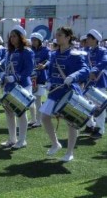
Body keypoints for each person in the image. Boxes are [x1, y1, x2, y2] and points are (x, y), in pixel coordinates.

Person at [40, 26, 89, 162]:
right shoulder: (54, 54)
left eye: (60, 35)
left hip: (69, 92)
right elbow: (50, 72)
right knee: (44, 117)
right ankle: (56, 143)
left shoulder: (75, 54)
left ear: (68, 37)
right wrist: (49, 82)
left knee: (71, 122)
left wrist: (73, 76)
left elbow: (85, 69)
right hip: (54, 91)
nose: (57, 37)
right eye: (57, 35)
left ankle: (70, 152)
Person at [0, 26, 34, 149]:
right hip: (9, 86)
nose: (12, 38)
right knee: (9, 112)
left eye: (15, 36)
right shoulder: (9, 52)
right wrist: (3, 77)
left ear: (21, 37)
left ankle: (22, 140)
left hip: (22, 85)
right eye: (11, 36)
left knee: (20, 113)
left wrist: (16, 77)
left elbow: (29, 69)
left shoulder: (27, 51)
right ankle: (12, 138)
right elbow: (7, 68)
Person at [82, 29, 107, 139]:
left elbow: (104, 62)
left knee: (99, 107)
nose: (86, 40)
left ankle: (100, 130)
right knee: (87, 105)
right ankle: (90, 125)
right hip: (88, 82)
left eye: (88, 38)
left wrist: (94, 70)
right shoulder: (87, 51)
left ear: (95, 40)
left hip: (99, 81)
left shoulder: (102, 51)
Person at [29, 32, 50, 128]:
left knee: (37, 99)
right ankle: (33, 118)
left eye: (35, 40)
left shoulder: (46, 50)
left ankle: (39, 120)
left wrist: (44, 65)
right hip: (31, 76)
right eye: (32, 40)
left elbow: (50, 60)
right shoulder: (29, 50)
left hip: (40, 77)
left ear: (39, 41)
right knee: (31, 99)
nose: (33, 42)